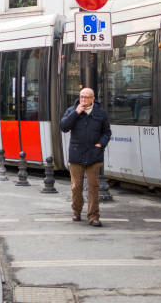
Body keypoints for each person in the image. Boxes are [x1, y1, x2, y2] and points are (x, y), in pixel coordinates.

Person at [60, 87, 111, 227]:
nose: (83, 99)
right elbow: (63, 127)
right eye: (82, 97)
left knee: (93, 187)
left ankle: (93, 216)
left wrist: (101, 144)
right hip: (76, 154)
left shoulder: (100, 112)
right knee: (76, 186)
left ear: (93, 99)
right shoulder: (72, 110)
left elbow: (107, 132)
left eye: (87, 97)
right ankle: (76, 210)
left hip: (94, 155)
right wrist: (76, 113)